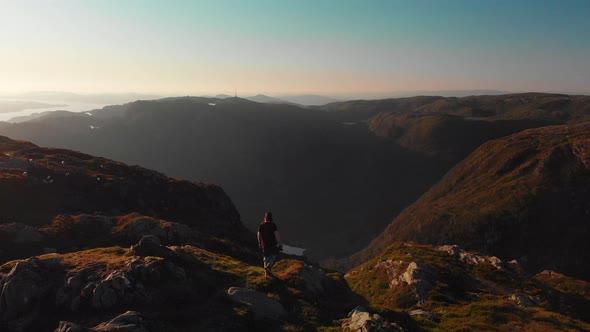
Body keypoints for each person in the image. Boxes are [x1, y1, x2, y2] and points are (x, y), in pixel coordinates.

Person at [257, 211, 282, 276]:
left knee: (266, 258)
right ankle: (269, 266)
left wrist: (260, 243)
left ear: (265, 217)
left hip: (265, 245)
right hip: (273, 244)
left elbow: (259, 235)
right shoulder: (273, 225)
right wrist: (279, 243)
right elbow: (277, 235)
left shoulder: (261, 225)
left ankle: (267, 273)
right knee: (274, 255)